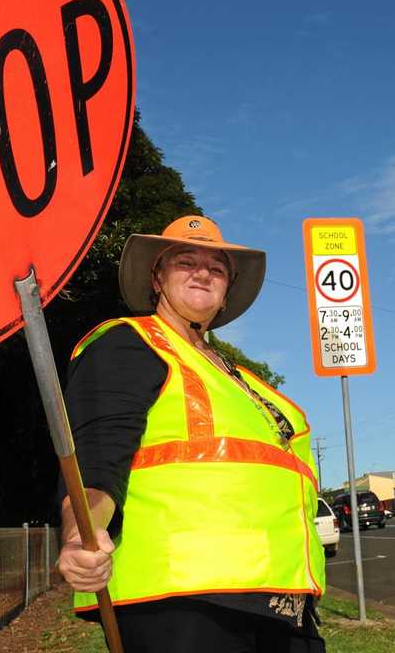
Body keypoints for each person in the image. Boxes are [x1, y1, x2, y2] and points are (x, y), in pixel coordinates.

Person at [55, 215, 326, 652]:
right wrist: (78, 534)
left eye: (217, 268)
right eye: (185, 261)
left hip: (281, 604)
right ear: (157, 279)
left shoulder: (244, 381)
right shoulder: (129, 344)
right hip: (184, 606)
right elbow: (97, 465)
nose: (203, 272)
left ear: (225, 294)